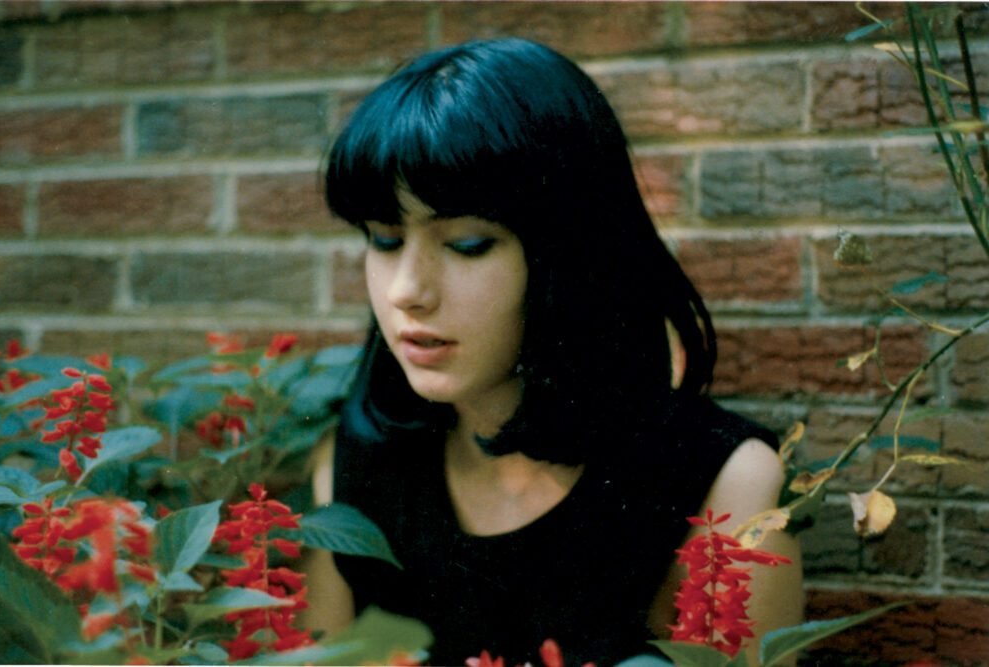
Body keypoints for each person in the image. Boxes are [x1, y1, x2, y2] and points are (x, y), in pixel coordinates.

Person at [302, 38, 802, 666]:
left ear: (567, 255)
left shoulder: (720, 483)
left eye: (467, 244)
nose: (407, 291)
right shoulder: (357, 468)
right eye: (384, 239)